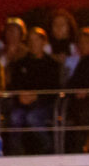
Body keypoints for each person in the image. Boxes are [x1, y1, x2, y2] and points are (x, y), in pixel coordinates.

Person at [5, 25, 58, 155]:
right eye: (31, 40)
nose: (34, 44)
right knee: (14, 117)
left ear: (44, 42)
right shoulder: (21, 63)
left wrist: (37, 96)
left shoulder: (52, 64)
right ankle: (16, 152)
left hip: (44, 105)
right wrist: (20, 96)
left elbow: (55, 89)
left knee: (32, 118)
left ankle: (48, 147)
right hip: (22, 103)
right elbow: (14, 85)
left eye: (37, 40)